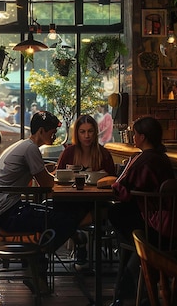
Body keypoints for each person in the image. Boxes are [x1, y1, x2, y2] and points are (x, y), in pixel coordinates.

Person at [0, 111, 87, 290]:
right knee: (66, 219)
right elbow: (46, 184)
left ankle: (40, 263)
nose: (53, 136)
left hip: (4, 210)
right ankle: (39, 257)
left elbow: (41, 176)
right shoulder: (31, 148)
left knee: (55, 213)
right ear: (41, 131)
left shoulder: (24, 145)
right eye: (51, 132)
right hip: (9, 214)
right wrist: (59, 175)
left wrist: (49, 171)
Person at [107, 116, 175, 305]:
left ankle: (141, 256)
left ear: (142, 137)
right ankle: (138, 257)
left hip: (156, 227)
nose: (133, 138)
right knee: (131, 239)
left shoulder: (144, 160)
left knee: (114, 212)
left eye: (135, 134)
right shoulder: (162, 157)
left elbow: (122, 191)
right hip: (172, 223)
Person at [56, 114, 116, 270]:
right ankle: (78, 238)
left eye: (90, 131)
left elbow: (113, 180)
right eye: (82, 132)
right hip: (72, 199)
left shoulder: (103, 154)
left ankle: (78, 239)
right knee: (58, 207)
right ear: (77, 133)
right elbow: (59, 175)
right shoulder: (69, 152)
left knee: (67, 217)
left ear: (95, 132)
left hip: (95, 201)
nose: (87, 136)